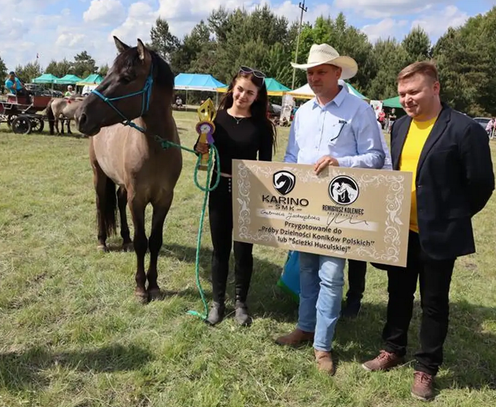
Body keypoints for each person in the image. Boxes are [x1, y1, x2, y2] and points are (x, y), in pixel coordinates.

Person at [361, 61, 494, 401]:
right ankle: (392, 349)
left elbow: (481, 183)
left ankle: (426, 368)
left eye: (414, 91)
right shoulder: (401, 126)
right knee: (398, 293)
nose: (407, 99)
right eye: (402, 93)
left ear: (435, 88)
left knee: (434, 303)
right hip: (400, 230)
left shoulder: (465, 130)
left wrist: (453, 216)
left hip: (439, 235)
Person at [274, 43, 386, 375]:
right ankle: (305, 328)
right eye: (310, 72)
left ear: (338, 72)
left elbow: (376, 158)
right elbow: (292, 156)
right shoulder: (303, 112)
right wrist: (287, 179)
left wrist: (342, 162)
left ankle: (322, 346)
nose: (314, 77)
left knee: (332, 276)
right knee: (306, 270)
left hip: (341, 208)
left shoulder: (359, 109)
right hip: (306, 208)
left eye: (321, 71)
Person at [194, 66, 276, 326]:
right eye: (240, 89)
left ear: (257, 96)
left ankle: (241, 303)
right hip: (219, 190)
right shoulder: (215, 119)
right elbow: (203, 156)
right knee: (220, 249)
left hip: (247, 193)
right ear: (232, 88)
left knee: (243, 251)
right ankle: (218, 302)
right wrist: (201, 144)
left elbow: (266, 165)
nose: (243, 96)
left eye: (250, 93)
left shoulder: (262, 126)